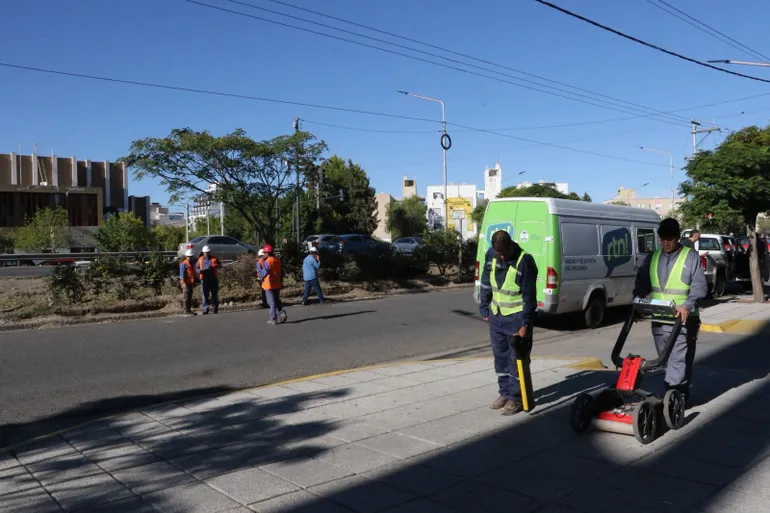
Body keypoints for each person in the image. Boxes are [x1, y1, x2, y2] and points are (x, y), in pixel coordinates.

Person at [633, 218, 707, 406]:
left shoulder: (690, 257)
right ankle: (677, 394)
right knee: (665, 361)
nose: (665, 243)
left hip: (683, 319)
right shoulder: (653, 257)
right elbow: (642, 283)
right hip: (659, 319)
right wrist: (636, 302)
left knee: (679, 359)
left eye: (669, 239)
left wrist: (687, 305)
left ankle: (674, 397)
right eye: (662, 239)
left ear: (677, 238)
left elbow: (699, 287)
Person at [478, 230, 538, 416]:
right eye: (499, 253)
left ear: (511, 245)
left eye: (504, 253)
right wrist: (484, 306)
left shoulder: (524, 261)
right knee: (501, 358)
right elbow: (486, 281)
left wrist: (525, 325)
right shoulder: (491, 255)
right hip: (497, 315)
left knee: (516, 360)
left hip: (516, 319)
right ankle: (504, 393)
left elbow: (529, 296)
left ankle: (516, 398)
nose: (502, 257)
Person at [261, 244, 287, 325]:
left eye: (264, 252)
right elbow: (282, 272)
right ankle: (282, 314)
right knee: (276, 300)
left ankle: (273, 319)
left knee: (271, 302)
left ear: (268, 253)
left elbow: (264, 272)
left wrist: (260, 277)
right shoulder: (277, 260)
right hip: (277, 284)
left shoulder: (268, 261)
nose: (263, 254)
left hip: (269, 285)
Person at [196, 245, 221, 315]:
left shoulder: (214, 258)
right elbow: (196, 268)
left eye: (207, 252)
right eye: (205, 252)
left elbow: (220, 265)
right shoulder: (200, 259)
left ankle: (215, 308)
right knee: (204, 295)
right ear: (203, 252)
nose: (206, 254)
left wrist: (215, 266)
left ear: (210, 252)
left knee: (214, 294)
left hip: (213, 278)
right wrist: (200, 271)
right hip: (204, 279)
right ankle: (205, 309)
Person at [179, 248, 197, 316]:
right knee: (186, 297)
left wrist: (194, 282)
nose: (190, 257)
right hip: (185, 283)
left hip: (190, 283)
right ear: (186, 256)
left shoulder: (192, 263)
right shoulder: (183, 264)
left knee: (189, 297)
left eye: (191, 256)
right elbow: (181, 275)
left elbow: (193, 273)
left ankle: (189, 310)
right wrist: (183, 284)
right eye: (189, 256)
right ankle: (185, 311)